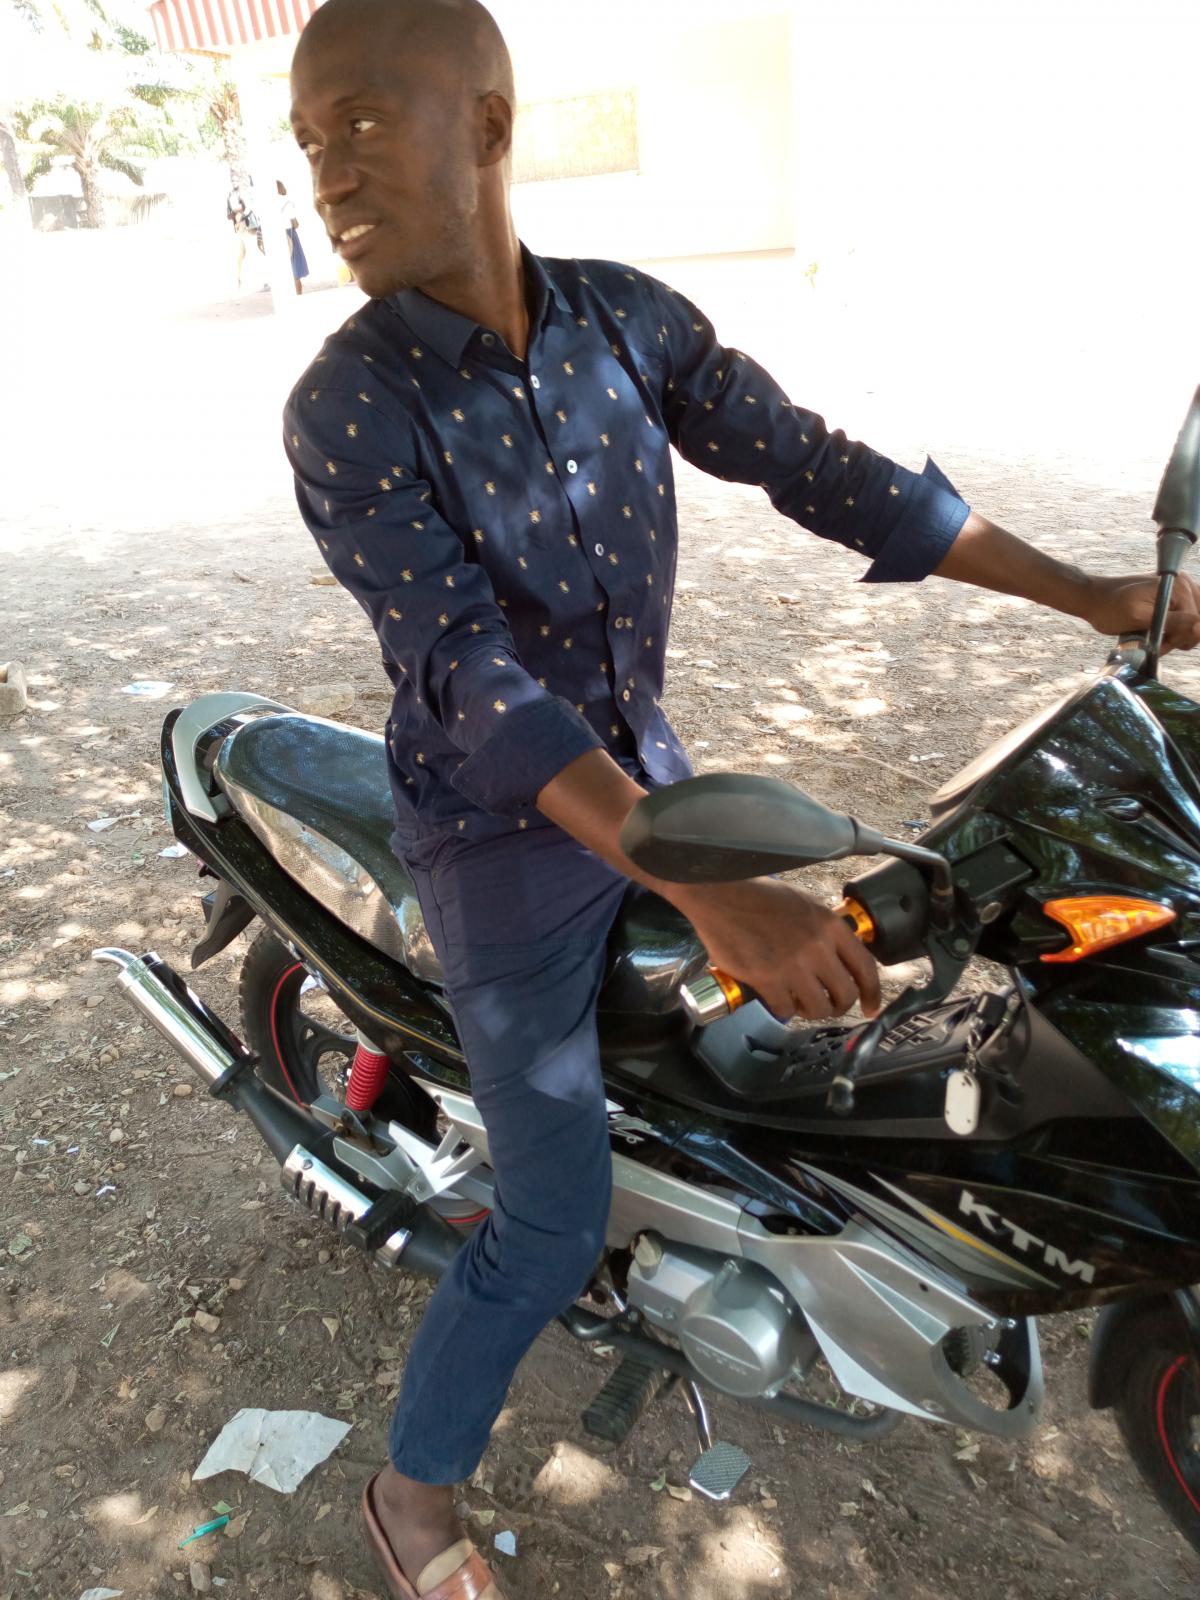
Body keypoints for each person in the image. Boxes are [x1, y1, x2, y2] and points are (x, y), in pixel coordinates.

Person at [284, 3, 1200, 1594]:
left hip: (643, 776)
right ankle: (414, 1495)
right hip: (499, 840)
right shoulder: (351, 404)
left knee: (881, 975)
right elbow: (468, 674)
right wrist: (705, 884)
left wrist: (1100, 596)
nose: (328, 175)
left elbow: (824, 469)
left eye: (360, 122)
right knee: (551, 1214)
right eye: (309, 143)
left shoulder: (624, 322)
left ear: (489, 126)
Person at [226, 180, 264, 290]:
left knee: (246, 253)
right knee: (246, 253)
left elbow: (243, 209)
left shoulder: (240, 193)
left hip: (246, 226)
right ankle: (243, 280)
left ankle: (244, 281)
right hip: (244, 227)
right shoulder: (235, 194)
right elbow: (239, 210)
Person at [276, 178, 310, 295]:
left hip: (276, 235)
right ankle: (298, 294)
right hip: (289, 234)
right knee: (295, 268)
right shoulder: (287, 202)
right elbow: (295, 223)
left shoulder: (270, 204)